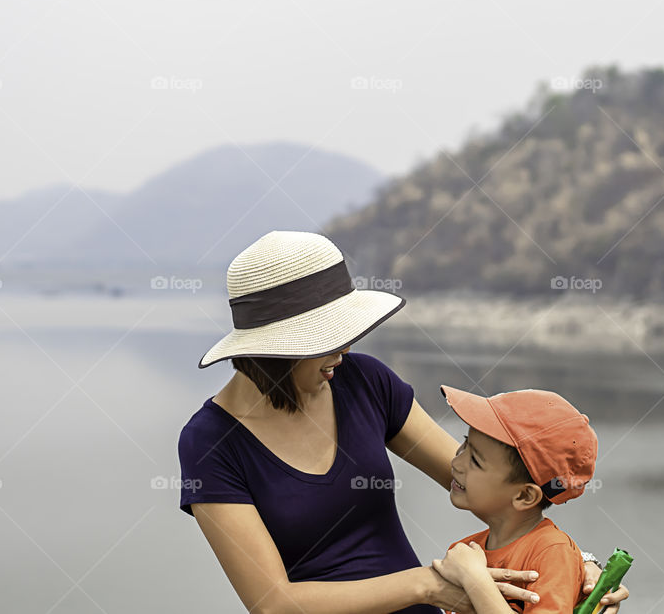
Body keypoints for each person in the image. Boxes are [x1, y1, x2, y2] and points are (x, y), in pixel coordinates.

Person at [177, 230, 629, 613]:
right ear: (272, 348)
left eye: (346, 335)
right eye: (326, 341)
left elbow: (496, 485)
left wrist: (574, 566)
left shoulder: (364, 382)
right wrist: (427, 585)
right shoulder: (209, 442)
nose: (344, 352)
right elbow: (272, 601)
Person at [433, 387, 599, 614]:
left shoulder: (552, 552)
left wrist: (474, 579)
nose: (456, 462)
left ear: (524, 496)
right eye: (465, 444)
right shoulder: (463, 552)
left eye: (475, 460)